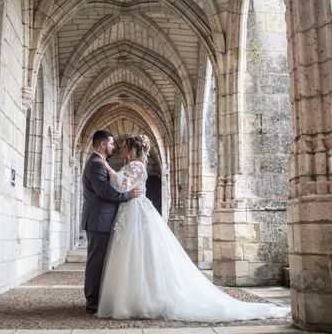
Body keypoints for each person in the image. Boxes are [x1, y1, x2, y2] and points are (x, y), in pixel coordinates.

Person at [96, 134, 290, 321]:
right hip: (131, 210)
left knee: (139, 254)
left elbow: (122, 185)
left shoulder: (136, 165)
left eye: (123, 145)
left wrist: (107, 167)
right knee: (134, 255)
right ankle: (134, 298)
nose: (120, 148)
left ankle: (143, 299)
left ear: (131, 148)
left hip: (136, 211)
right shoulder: (131, 165)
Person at [81, 130, 142, 314]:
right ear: (103, 145)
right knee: (96, 261)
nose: (114, 147)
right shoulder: (96, 165)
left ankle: (97, 297)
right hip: (99, 220)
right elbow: (104, 192)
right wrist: (127, 195)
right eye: (112, 144)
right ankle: (92, 300)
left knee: (101, 261)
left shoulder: (99, 163)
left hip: (102, 220)